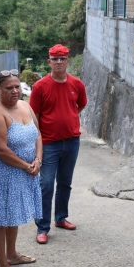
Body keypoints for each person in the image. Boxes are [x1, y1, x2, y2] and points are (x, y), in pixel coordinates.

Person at [0, 70, 42, 267]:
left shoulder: (25, 105)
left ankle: (12, 254)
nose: (15, 91)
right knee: (1, 218)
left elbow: (38, 134)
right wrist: (26, 165)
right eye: (9, 88)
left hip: (24, 169)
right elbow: (0, 150)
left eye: (17, 87)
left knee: (12, 213)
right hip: (2, 171)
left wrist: (38, 160)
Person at [29, 44, 87, 245]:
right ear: (49, 62)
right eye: (55, 59)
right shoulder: (40, 86)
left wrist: (68, 119)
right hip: (49, 143)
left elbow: (81, 105)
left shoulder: (76, 84)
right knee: (45, 184)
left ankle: (61, 218)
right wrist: (37, 140)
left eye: (62, 59)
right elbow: (33, 115)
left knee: (65, 183)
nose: (59, 62)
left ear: (68, 61)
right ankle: (42, 227)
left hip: (72, 141)